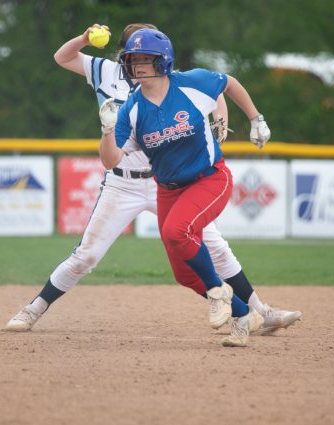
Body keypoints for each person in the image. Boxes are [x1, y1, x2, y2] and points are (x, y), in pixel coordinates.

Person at [5, 23, 301, 341]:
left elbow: (215, 89)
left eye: (147, 55)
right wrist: (85, 39)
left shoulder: (167, 79)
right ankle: (34, 308)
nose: (142, 61)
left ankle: (260, 312)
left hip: (169, 181)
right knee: (87, 255)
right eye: (136, 54)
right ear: (126, 54)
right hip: (123, 182)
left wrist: (226, 120)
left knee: (215, 248)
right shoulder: (105, 70)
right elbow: (63, 58)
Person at [95, 27, 279, 346]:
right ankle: (245, 316)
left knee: (176, 232)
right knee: (183, 273)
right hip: (169, 188)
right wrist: (107, 130)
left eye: (144, 59)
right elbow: (110, 161)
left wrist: (255, 118)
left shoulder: (192, 83)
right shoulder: (131, 109)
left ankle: (218, 293)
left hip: (210, 178)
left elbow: (229, 83)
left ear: (163, 61)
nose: (136, 65)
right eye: (131, 59)